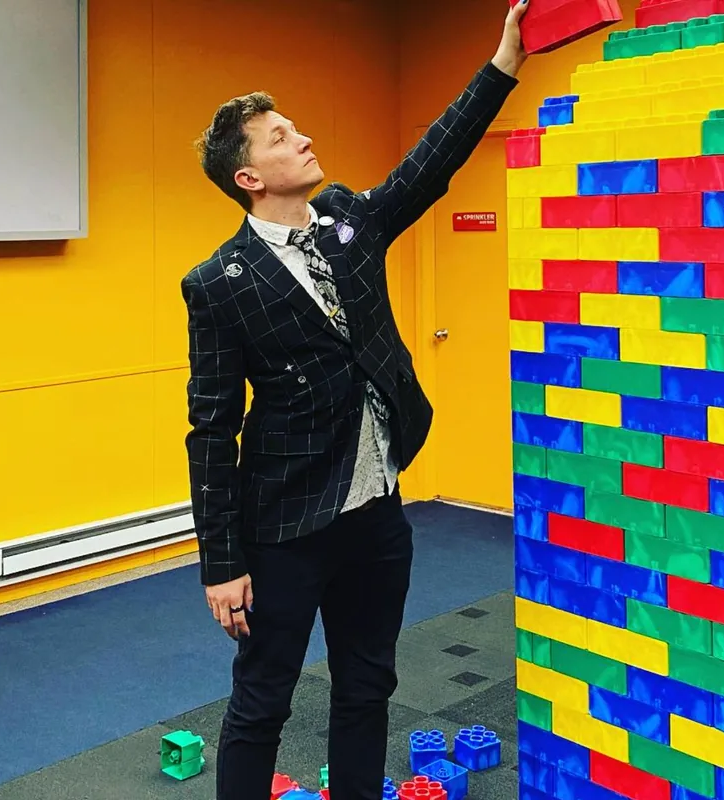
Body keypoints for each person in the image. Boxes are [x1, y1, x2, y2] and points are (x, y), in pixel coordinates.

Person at [182, 2, 530, 797]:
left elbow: (429, 165)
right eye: (279, 137)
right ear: (249, 177)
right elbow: (210, 429)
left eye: (295, 128)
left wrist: (503, 61)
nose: (301, 139)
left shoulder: (346, 220)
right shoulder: (217, 284)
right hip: (284, 526)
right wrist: (223, 563)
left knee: (368, 687)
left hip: (376, 512)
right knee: (263, 702)